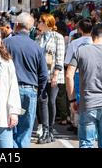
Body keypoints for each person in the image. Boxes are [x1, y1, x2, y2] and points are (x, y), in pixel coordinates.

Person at [4, 12, 48, 148]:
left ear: (16, 25)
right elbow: (44, 75)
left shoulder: (6, 43)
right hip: (30, 90)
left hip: (9, 90)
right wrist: (38, 90)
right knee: (25, 130)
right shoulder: (37, 47)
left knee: (8, 128)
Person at [35, 14, 65, 143]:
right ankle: (45, 129)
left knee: (51, 101)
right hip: (41, 75)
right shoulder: (38, 38)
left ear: (48, 23)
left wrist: (55, 75)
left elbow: (60, 57)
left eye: (41, 22)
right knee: (42, 101)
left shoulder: (58, 37)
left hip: (53, 74)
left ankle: (51, 130)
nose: (39, 23)